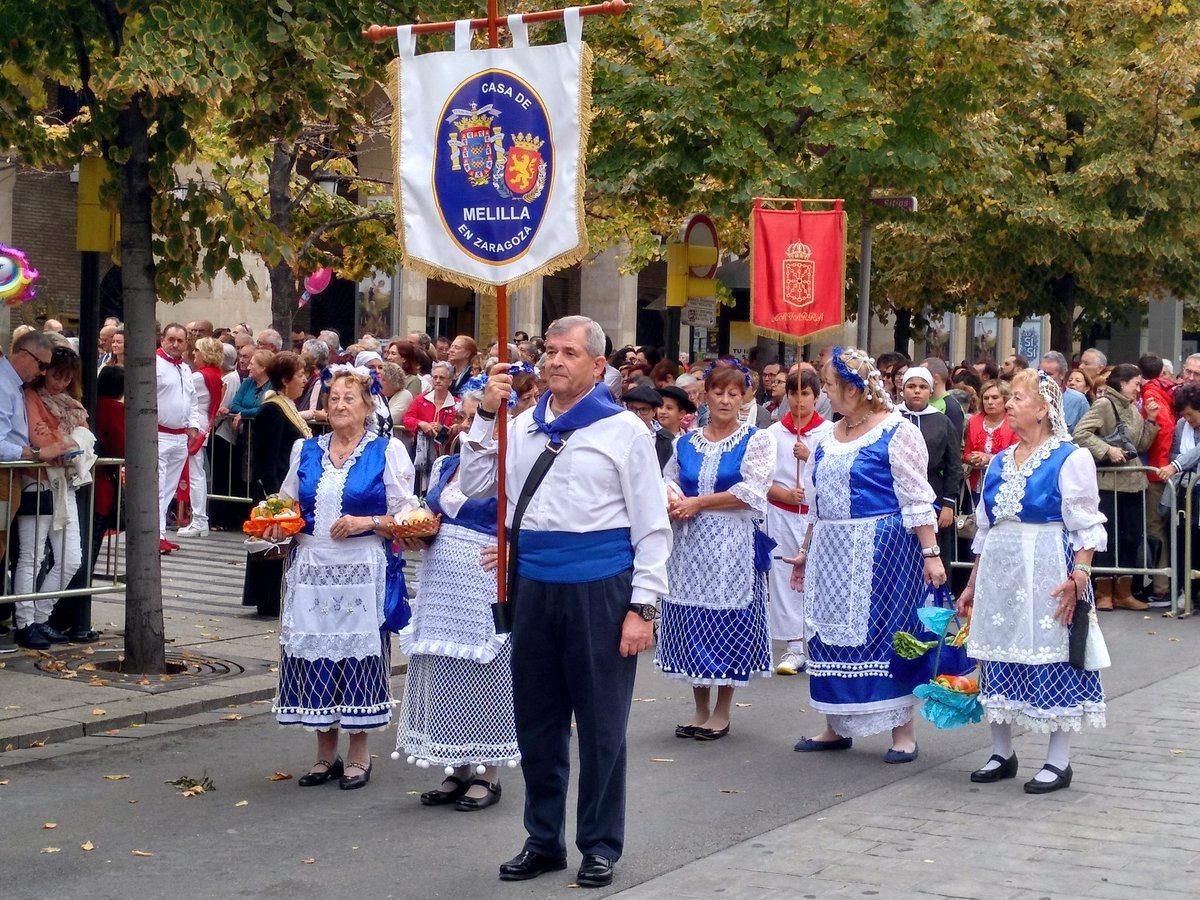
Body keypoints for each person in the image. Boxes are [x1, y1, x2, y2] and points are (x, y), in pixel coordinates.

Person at [460, 315, 671, 889]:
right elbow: (478, 486)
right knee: (538, 721)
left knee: (601, 724)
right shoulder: (523, 424)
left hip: (599, 590)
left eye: (569, 352)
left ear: (598, 366)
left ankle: (600, 843)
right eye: (550, 351)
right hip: (534, 589)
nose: (554, 360)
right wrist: (484, 413)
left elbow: (652, 527)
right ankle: (543, 838)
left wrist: (642, 606)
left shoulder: (624, 431)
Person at [789, 348, 946, 762]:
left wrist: (930, 553)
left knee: (886, 633)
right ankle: (835, 724)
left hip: (883, 548)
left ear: (855, 390)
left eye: (829, 385)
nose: (824, 392)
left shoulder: (896, 431)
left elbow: (915, 496)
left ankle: (903, 733)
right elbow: (819, 502)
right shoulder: (827, 435)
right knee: (828, 633)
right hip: (831, 549)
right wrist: (806, 550)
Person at [957, 369, 1108, 793]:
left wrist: (1080, 573)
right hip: (1002, 569)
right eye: (1010, 397)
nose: (1009, 404)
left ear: (1043, 409)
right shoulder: (1000, 461)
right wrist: (971, 584)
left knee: (1055, 651)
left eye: (1019, 398)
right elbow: (986, 531)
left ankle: (1058, 761)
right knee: (997, 649)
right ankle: (1001, 752)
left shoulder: (1070, 457)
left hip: (1047, 564)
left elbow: (1086, 526)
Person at [267, 368, 417, 789]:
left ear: (368, 406)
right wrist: (277, 523)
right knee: (313, 654)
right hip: (313, 567)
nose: (338, 404)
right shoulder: (306, 449)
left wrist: (366, 521)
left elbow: (410, 514)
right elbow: (286, 503)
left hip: (362, 567)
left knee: (358, 657)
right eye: (333, 397)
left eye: (349, 398)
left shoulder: (386, 451)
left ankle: (358, 753)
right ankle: (324, 753)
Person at [395, 392, 518, 811]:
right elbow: (433, 517)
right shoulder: (447, 465)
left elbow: (525, 521)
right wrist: (418, 531)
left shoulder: (511, 467)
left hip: (482, 575)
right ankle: (456, 765)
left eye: (476, 418)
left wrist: (513, 551)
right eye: (462, 418)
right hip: (439, 577)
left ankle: (489, 772)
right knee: (445, 668)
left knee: (485, 672)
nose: (467, 427)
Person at [656, 364, 774, 737]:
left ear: (744, 398)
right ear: (705, 396)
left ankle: (722, 709)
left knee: (724, 622)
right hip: (689, 542)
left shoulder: (757, 440)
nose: (725, 400)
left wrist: (699, 503)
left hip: (731, 541)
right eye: (719, 392)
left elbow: (752, 491)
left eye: (734, 394)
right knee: (690, 617)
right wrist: (674, 500)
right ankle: (699, 707)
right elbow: (669, 479)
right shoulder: (686, 441)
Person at [12, 346, 94, 650]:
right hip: (39, 481)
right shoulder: (31, 397)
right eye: (55, 375)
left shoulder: (72, 404)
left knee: (71, 557)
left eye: (66, 378)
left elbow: (80, 437)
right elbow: (43, 439)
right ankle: (26, 621)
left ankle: (40, 615)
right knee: (31, 556)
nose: (60, 383)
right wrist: (65, 442)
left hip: (64, 484)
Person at [1073, 364, 1159, 611]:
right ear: (1122, 383)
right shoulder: (1104, 404)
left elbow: (1138, 446)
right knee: (1108, 538)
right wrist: (1107, 450)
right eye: (1136, 384)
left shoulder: (1133, 408)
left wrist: (1150, 422)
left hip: (1133, 484)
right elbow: (1081, 433)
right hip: (1109, 484)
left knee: (1132, 537)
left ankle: (1124, 591)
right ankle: (1103, 593)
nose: (1139, 388)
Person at [766, 368, 831, 676]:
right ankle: (794, 646)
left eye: (805, 394)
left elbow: (835, 475)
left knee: (819, 578)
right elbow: (760, 478)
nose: (799, 400)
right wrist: (783, 492)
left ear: (816, 398)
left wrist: (809, 458)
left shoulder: (829, 433)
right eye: (794, 393)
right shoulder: (773, 434)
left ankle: (820, 641)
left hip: (816, 518)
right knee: (784, 576)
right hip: (781, 512)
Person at [242, 352, 311, 617]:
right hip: (274, 488)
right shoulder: (272, 409)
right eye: (300, 375)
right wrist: (271, 495)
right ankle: (269, 600)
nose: (304, 380)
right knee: (271, 543)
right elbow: (267, 456)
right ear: (285, 379)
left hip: (288, 486)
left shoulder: (287, 405)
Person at [899, 368, 964, 563]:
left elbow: (954, 465)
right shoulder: (891, 418)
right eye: (911, 386)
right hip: (897, 494)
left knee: (933, 551)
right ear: (902, 390)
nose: (917, 391)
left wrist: (948, 504)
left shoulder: (941, 421)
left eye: (922, 387)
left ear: (930, 390)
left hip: (932, 492)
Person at [156, 324, 202, 554]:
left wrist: (193, 424)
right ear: (162, 339)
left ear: (186, 343)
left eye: (180, 340)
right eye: (170, 339)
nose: (175, 344)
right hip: (158, 434)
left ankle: (161, 532)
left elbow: (192, 400)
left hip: (179, 437)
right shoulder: (154, 364)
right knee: (158, 487)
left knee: (169, 487)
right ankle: (156, 534)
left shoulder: (184, 369)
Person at [177, 337, 224, 538]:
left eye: (197, 350)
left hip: (195, 424)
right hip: (203, 422)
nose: (193, 354)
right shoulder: (214, 374)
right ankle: (199, 520)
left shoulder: (199, 377)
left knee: (196, 474)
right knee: (197, 473)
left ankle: (199, 520)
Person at [1139, 353, 1176, 605]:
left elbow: (1163, 429)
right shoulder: (1164, 390)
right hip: (1160, 467)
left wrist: (1158, 465)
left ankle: (1161, 585)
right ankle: (1161, 582)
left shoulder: (1151, 394)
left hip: (1156, 470)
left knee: (1155, 526)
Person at [1159, 383, 1200, 605]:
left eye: (1191, 414)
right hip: (1186, 489)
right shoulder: (1181, 426)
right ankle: (1186, 590)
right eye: (1184, 415)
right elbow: (1175, 450)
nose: (1188, 419)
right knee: (1184, 539)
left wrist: (1177, 465)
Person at [404, 361, 460, 493]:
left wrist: (447, 428)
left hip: (446, 456)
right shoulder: (421, 399)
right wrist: (421, 424)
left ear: (450, 381)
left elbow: (461, 426)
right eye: (435, 377)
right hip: (421, 455)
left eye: (442, 378)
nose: (437, 381)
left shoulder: (457, 404)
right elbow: (407, 419)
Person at [963, 381, 1017, 496]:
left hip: (1005, 481)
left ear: (1006, 400)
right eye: (986, 398)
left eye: (995, 397)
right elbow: (967, 453)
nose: (990, 402)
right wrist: (974, 458)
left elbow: (1017, 456)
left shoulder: (1015, 421)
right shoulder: (973, 421)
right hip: (977, 481)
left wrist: (989, 458)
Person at [621, 384, 673, 471]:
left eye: (644, 410)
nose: (637, 415)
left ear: (654, 411)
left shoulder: (667, 438)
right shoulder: (619, 435)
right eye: (632, 409)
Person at [1040, 351, 1089, 432]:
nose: (1043, 378)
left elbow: (1085, 434)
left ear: (1062, 375)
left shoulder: (1078, 400)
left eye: (1049, 374)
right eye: (1041, 373)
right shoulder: (1030, 397)